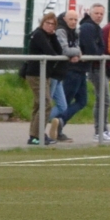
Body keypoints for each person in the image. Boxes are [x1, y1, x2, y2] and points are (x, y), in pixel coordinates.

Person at [24, 11, 64, 145]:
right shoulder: (39, 34)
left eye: (53, 24)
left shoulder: (49, 36)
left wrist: (53, 36)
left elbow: (59, 52)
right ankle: (37, 136)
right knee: (46, 104)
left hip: (45, 74)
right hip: (36, 74)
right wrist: (52, 45)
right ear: (42, 23)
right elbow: (50, 53)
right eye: (48, 23)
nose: (50, 26)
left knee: (38, 105)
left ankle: (34, 135)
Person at [81, 2, 110, 143]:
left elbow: (102, 47)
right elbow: (93, 49)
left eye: (101, 14)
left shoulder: (96, 28)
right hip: (94, 68)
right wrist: (99, 51)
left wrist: (100, 51)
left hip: (98, 66)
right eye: (96, 13)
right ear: (90, 13)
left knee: (103, 99)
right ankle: (100, 131)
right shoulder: (87, 27)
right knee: (104, 99)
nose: (99, 16)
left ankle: (103, 129)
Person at [52, 6, 86, 140]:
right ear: (65, 19)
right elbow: (65, 50)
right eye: (71, 19)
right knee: (64, 102)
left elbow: (76, 46)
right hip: (66, 70)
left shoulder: (75, 31)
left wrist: (76, 53)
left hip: (78, 68)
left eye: (76, 20)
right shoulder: (61, 30)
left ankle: (59, 121)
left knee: (82, 101)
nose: (73, 22)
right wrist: (77, 53)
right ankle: (54, 123)